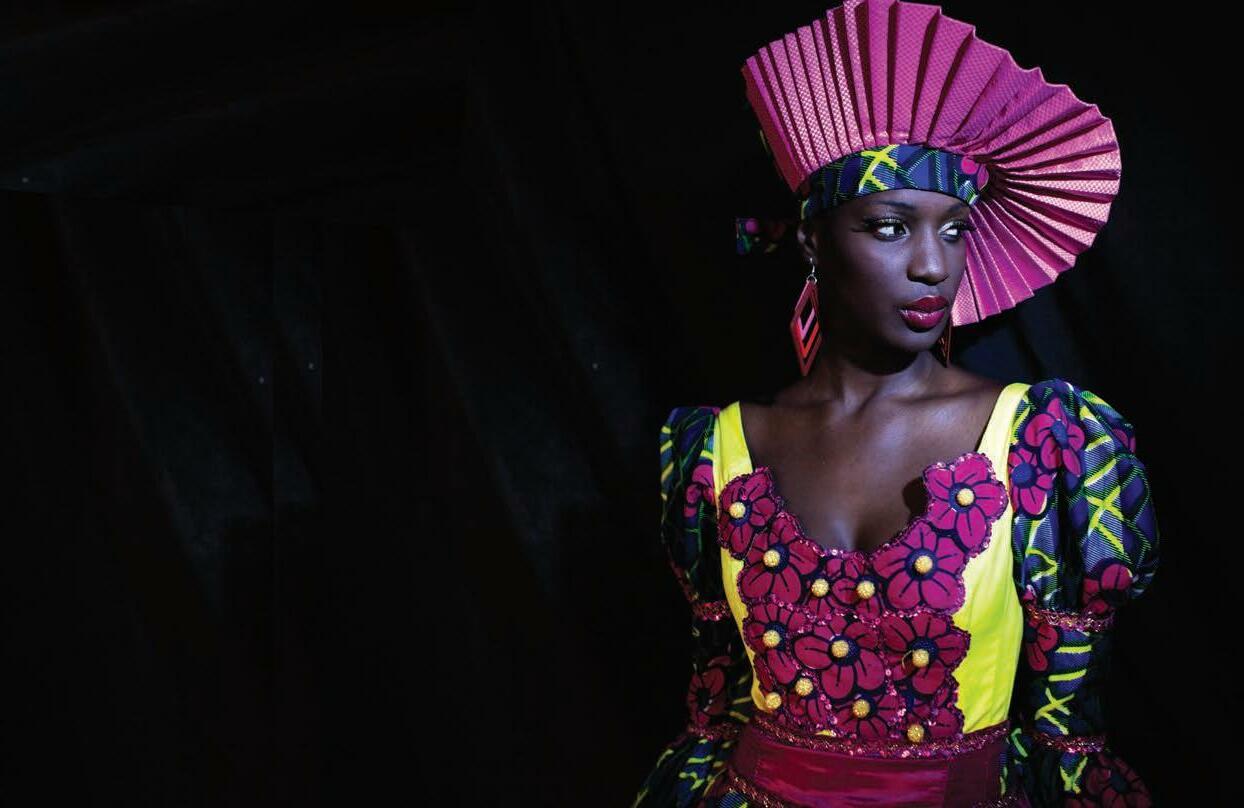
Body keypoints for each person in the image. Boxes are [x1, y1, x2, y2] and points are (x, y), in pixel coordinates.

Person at [631, 1, 1160, 806]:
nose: (932, 267)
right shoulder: (716, 448)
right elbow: (716, 702)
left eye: (953, 231)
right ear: (812, 241)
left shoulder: (1042, 443)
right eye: (889, 227)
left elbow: (1068, 734)